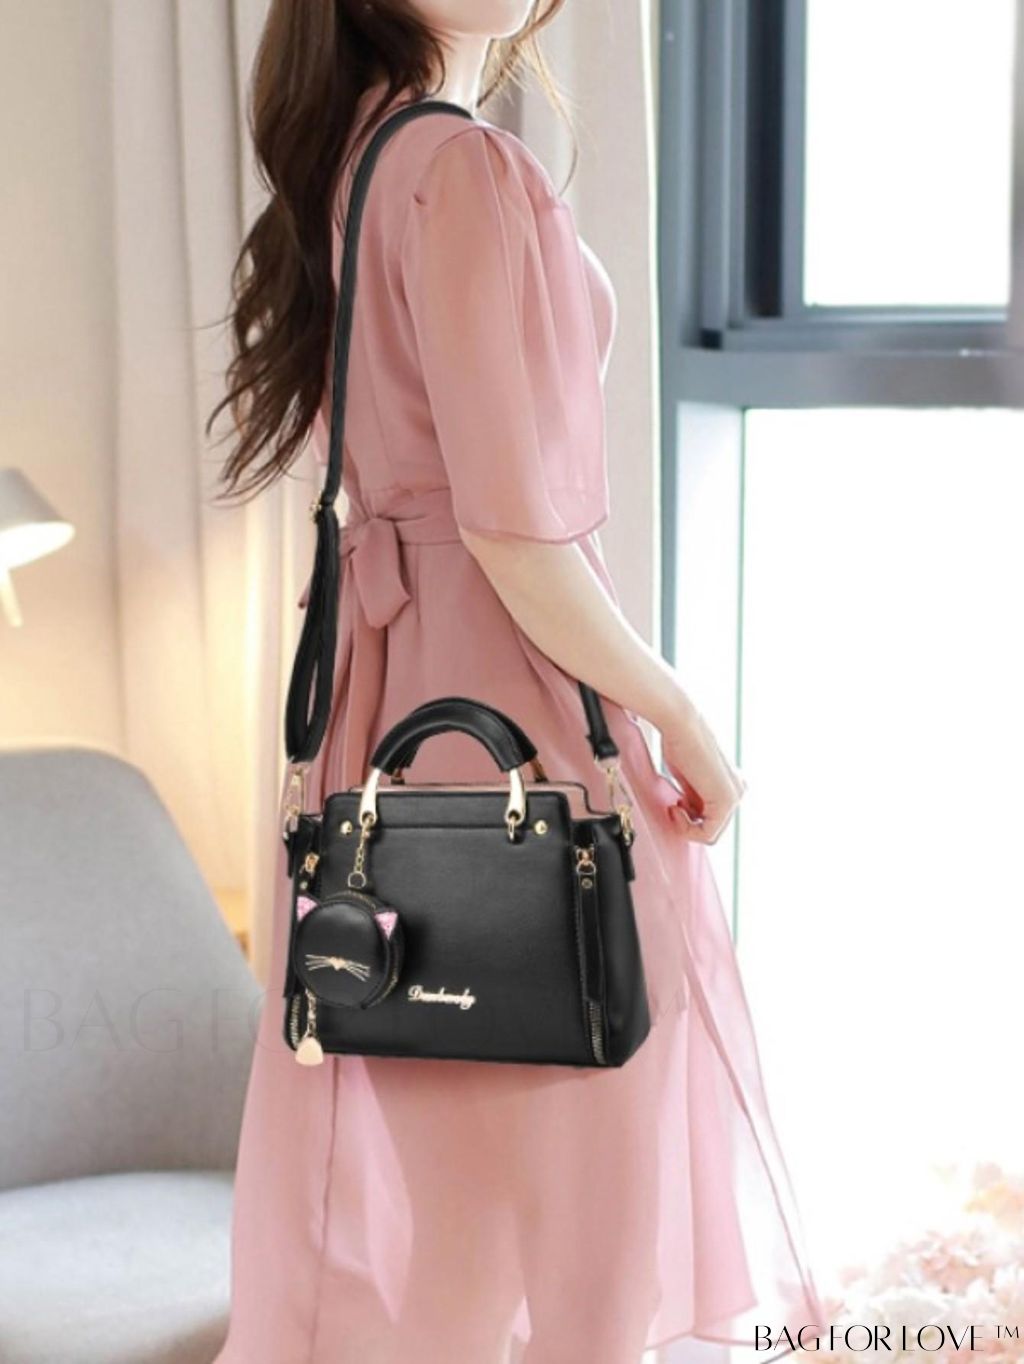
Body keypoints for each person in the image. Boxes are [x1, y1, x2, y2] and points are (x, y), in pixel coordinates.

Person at [207, 3, 825, 1361]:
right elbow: (512, 534)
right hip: (518, 723)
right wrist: (679, 712)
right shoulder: (465, 166)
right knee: (589, 1240)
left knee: (461, 1244)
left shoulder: (360, 160)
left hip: (397, 725)